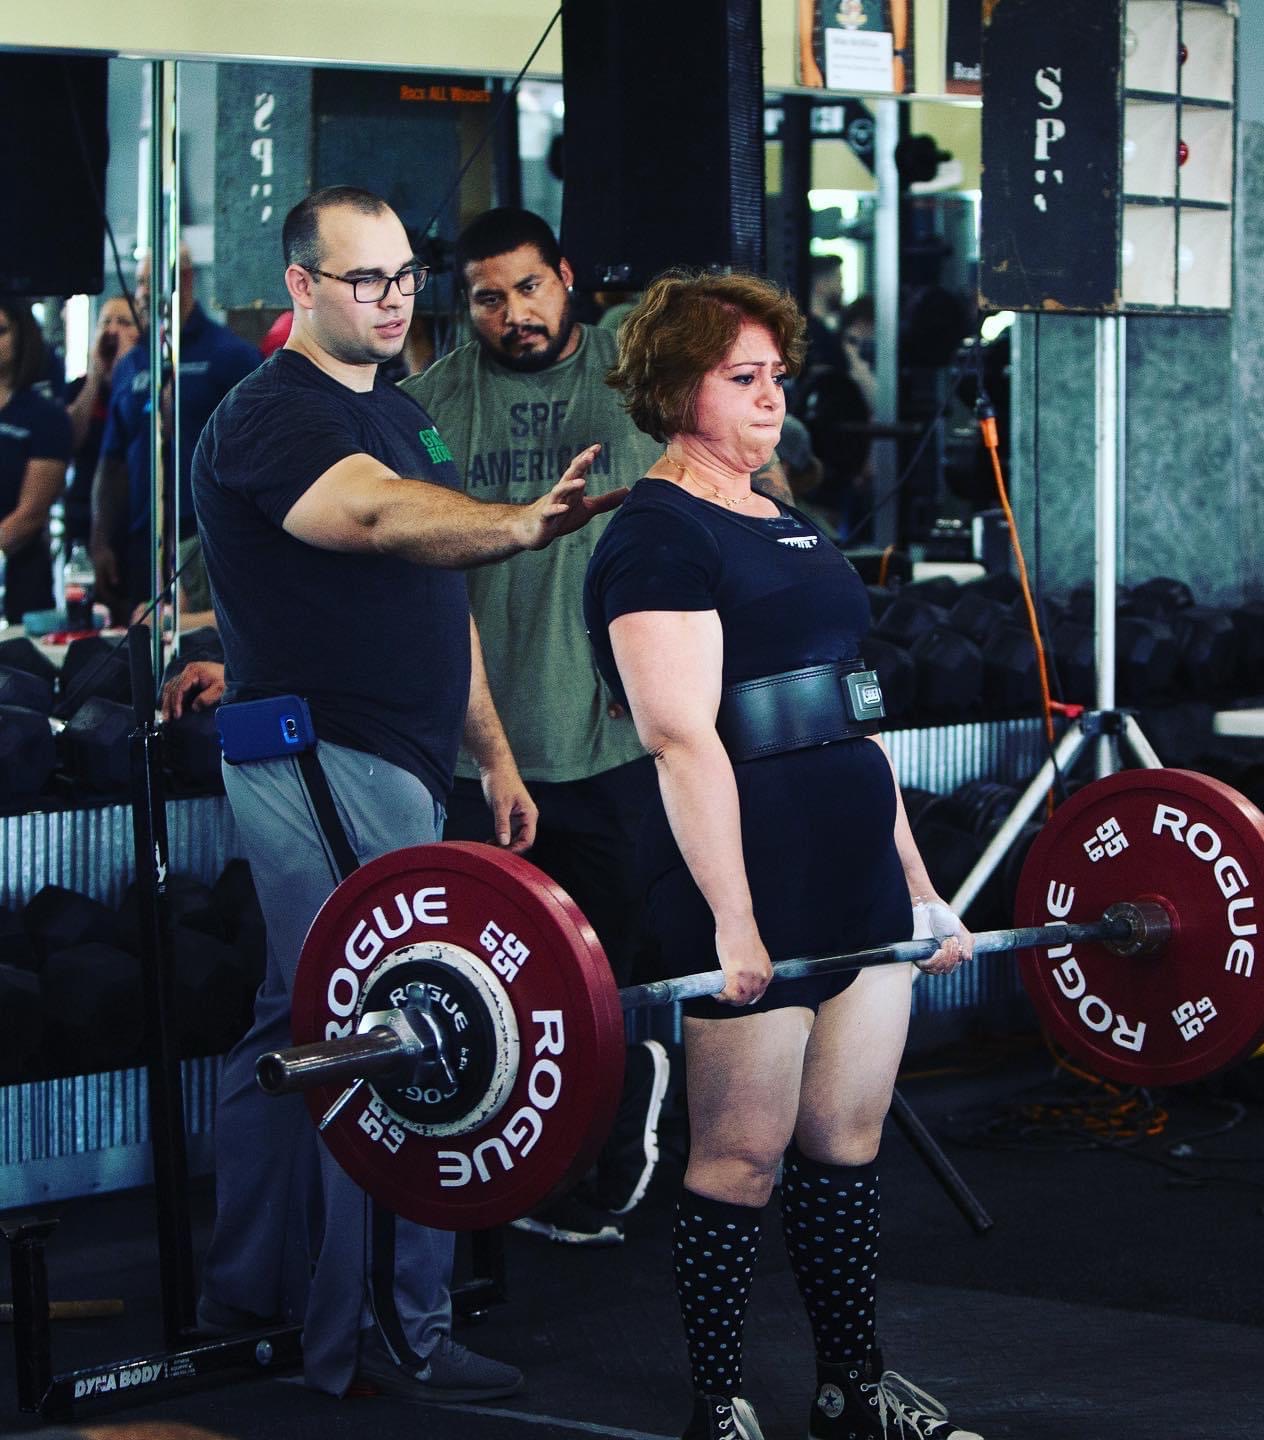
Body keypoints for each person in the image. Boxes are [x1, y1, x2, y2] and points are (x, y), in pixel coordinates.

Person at [187, 184, 621, 1403]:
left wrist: (492, 753)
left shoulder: (407, 415)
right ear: (302, 289)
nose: (391, 299)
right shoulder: (273, 416)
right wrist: (519, 522)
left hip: (404, 758)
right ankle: (384, 1334)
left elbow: (442, 593)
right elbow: (376, 523)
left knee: (301, 1025)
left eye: (401, 278)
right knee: (394, 1033)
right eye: (362, 279)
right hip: (321, 755)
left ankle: (256, 1290)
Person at [583, 270, 982, 1440]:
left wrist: (919, 888)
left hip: (856, 867)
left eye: (776, 378)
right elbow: (679, 738)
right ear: (672, 390)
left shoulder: (789, 518)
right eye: (741, 379)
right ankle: (722, 1400)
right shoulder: (655, 533)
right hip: (748, 880)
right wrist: (735, 924)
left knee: (845, 1145)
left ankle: (853, 1389)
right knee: (743, 1157)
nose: (771, 401)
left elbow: (851, 725)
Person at [399, 208, 670, 1247]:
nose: (513, 314)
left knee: (611, 965)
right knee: (501, 979)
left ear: (567, 277)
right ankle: (534, 1183)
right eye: (487, 297)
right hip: (480, 742)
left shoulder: (634, 371)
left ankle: (608, 1148)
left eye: (528, 288)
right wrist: (197, 607)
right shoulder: (430, 410)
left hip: (612, 733)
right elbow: (354, 498)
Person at [91, 246, 262, 620]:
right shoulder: (133, 363)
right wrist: (100, 539)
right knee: (135, 635)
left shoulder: (231, 355)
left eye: (148, 283)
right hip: (141, 532)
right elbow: (112, 457)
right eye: (137, 283)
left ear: (184, 280)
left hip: (205, 534)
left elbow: (258, 449)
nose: (141, 294)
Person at [0, 297, 71, 623]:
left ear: (21, 337)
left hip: (20, 576)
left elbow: (30, 515)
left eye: (0, 331)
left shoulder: (44, 417)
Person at [63, 294, 140, 549]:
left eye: (124, 322)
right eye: (106, 322)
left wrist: (127, 370)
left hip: (132, 516)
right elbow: (70, 440)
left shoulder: (142, 387)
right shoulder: (79, 388)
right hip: (83, 514)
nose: (112, 330)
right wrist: (95, 377)